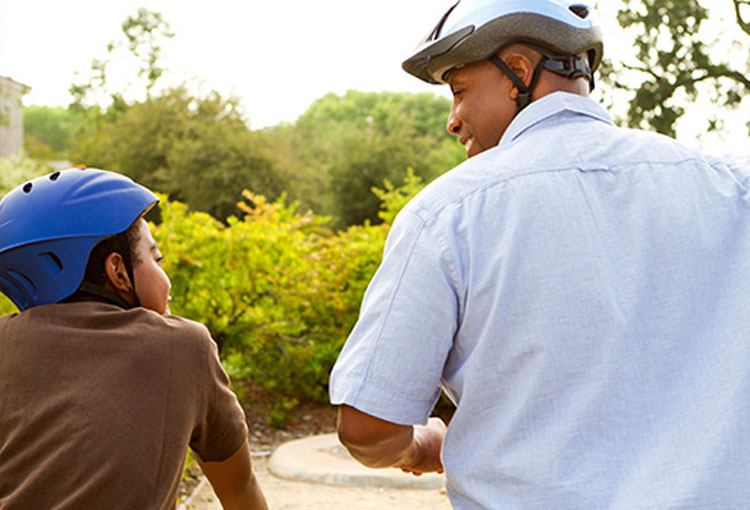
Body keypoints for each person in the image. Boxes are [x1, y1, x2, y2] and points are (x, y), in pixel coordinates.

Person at [329, 0, 750, 508]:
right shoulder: (733, 190)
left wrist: (422, 445)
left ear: (519, 72)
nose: (452, 121)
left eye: (459, 92)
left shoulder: (446, 214)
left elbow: (367, 428)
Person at [0, 167, 268, 510]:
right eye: (156, 259)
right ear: (118, 272)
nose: (165, 278)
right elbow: (239, 490)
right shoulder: (183, 346)